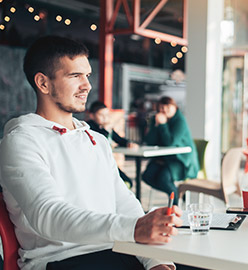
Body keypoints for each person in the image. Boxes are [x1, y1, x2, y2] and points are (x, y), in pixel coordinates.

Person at [0, 36, 182, 270]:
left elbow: (125, 203)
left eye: (86, 75)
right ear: (43, 83)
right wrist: (133, 230)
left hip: (117, 250)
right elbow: (48, 215)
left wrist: (155, 261)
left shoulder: (96, 139)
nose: (87, 85)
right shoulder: (21, 141)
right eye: (75, 76)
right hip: (62, 261)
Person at [142, 96, 199, 205]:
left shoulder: (180, 121)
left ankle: (175, 204)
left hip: (181, 159)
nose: (164, 110)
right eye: (161, 107)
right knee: (147, 176)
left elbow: (170, 142)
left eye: (168, 106)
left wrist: (163, 125)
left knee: (163, 178)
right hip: (165, 159)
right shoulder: (157, 119)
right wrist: (155, 125)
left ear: (175, 107)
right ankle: (175, 191)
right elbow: (150, 141)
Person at [87, 100, 138, 188]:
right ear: (92, 115)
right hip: (96, 166)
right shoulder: (89, 127)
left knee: (128, 182)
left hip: (108, 163)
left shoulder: (106, 127)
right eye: (101, 115)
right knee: (122, 183)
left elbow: (119, 139)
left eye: (107, 115)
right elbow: (100, 142)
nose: (105, 118)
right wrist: (106, 131)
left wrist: (128, 143)